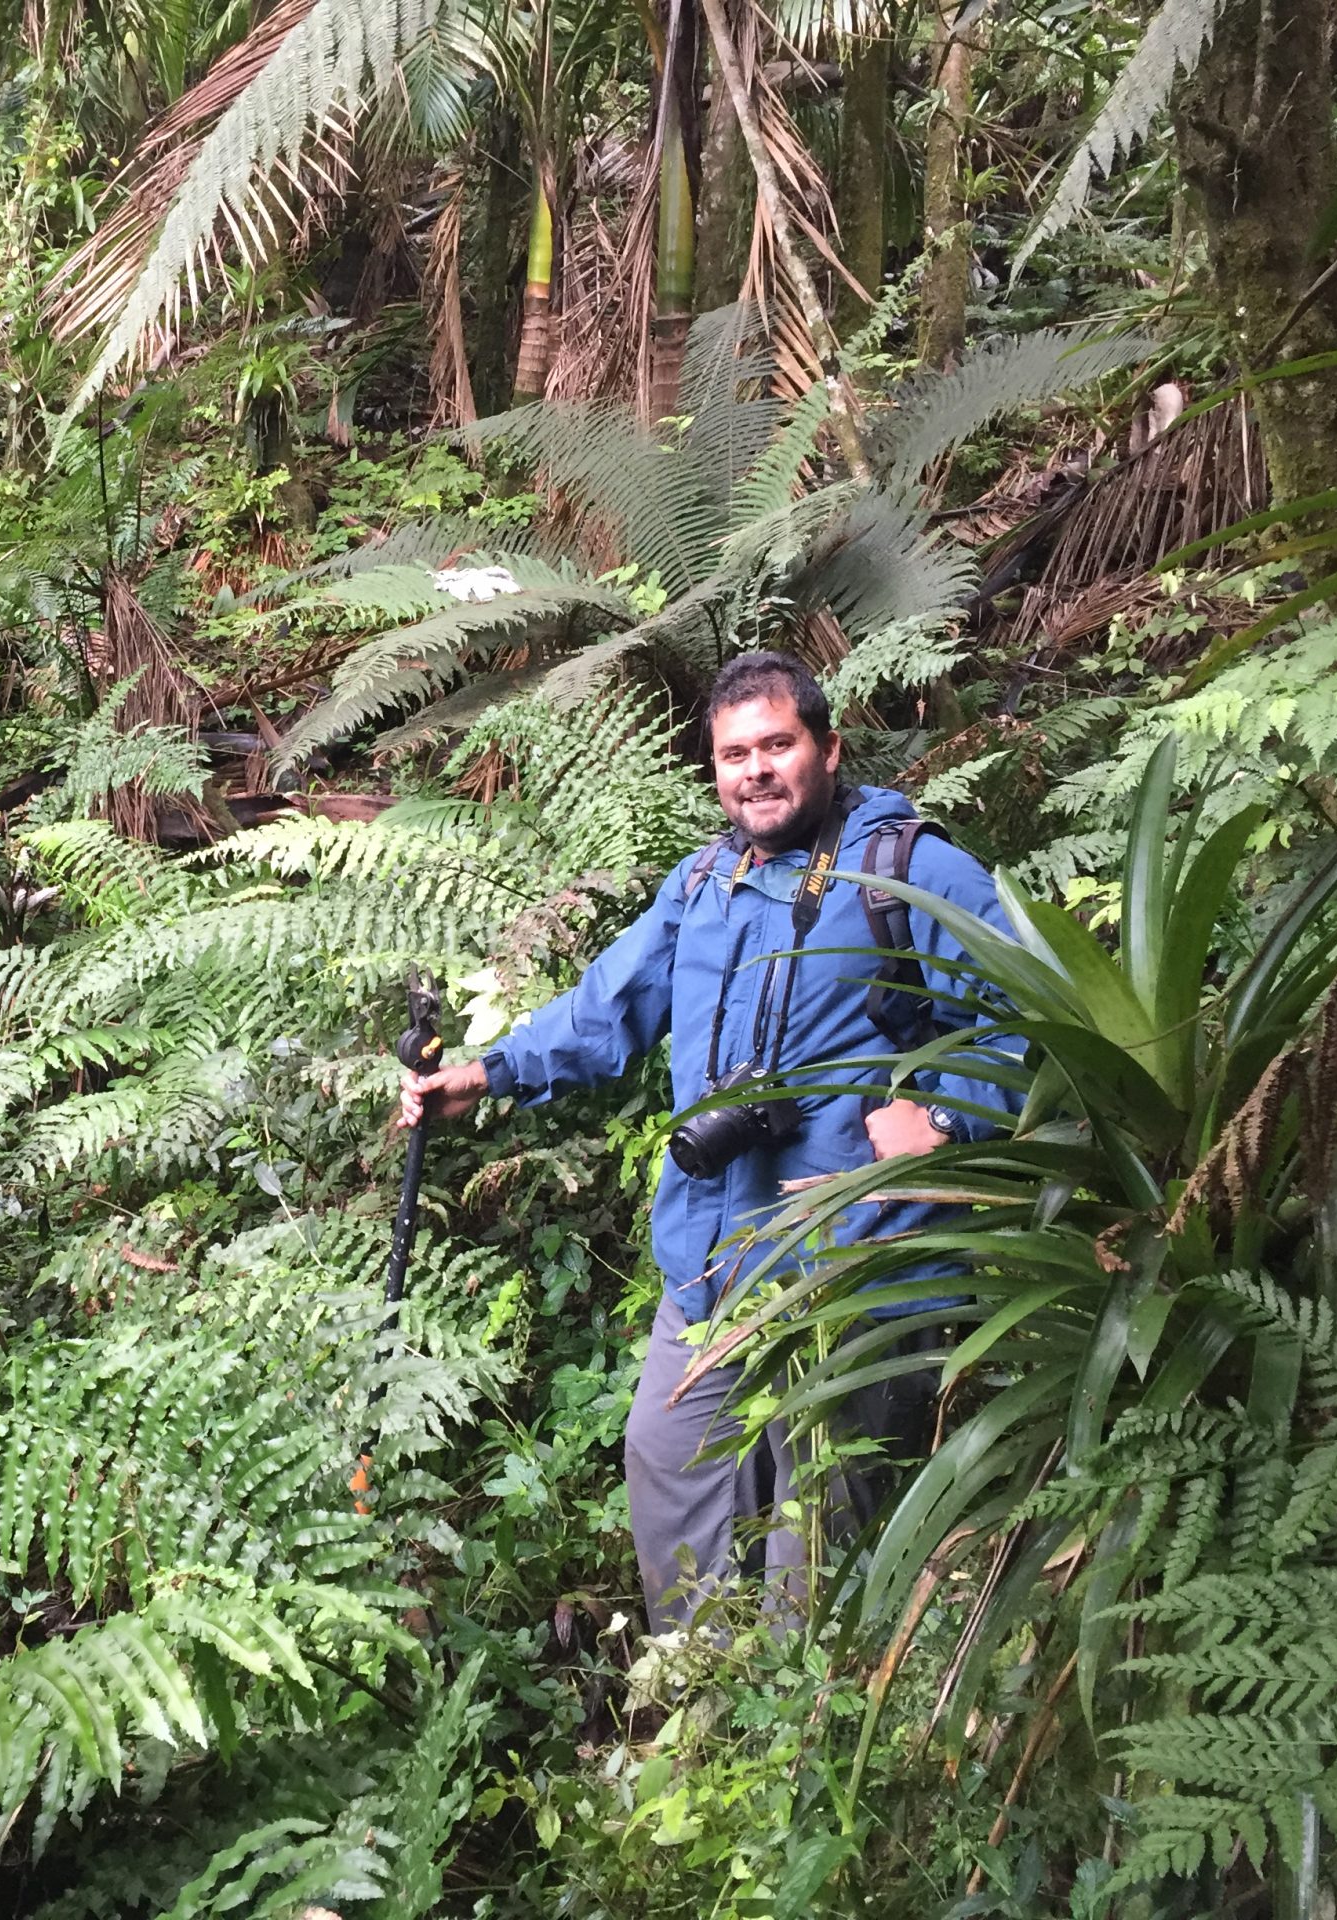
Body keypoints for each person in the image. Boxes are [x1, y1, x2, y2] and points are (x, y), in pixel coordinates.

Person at [398, 651, 1019, 1632]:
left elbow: (1025, 1018)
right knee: (666, 1455)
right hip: (712, 1255)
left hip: (851, 1265)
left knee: (818, 1530)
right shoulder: (703, 884)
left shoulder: (907, 869)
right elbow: (607, 1007)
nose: (756, 770)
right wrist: (484, 1073)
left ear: (828, 749)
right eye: (736, 754)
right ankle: (697, 1704)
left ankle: (799, 1749)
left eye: (778, 744)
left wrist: (944, 1118)